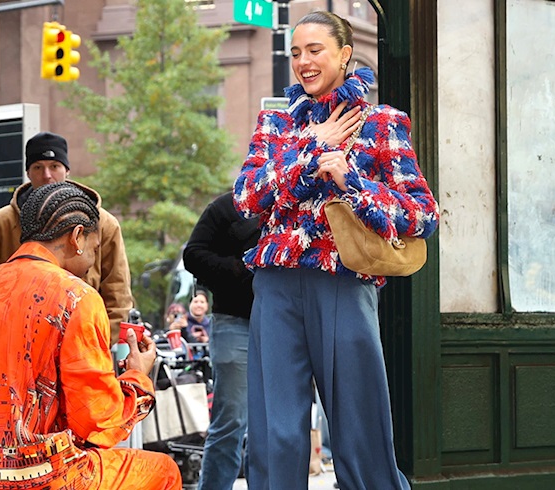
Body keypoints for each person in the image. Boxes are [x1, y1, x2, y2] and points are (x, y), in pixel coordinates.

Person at [233, 11, 439, 490]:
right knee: (275, 433)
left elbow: (422, 215)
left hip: (345, 286)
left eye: (315, 50)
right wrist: (311, 147)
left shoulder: (383, 123)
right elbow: (246, 198)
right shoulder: (276, 122)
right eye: (296, 53)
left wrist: (352, 182)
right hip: (276, 288)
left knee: (360, 430)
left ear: (344, 55)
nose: (303, 62)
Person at [0, 182, 181, 489]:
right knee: (164, 471)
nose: (92, 262)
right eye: (95, 249)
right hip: (35, 475)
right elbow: (99, 423)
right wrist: (138, 376)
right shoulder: (76, 297)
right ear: (77, 237)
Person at [0, 132, 133, 342]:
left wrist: (96, 344)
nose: (47, 175)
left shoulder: (104, 225)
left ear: (67, 170)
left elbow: (118, 297)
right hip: (19, 349)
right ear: (28, 172)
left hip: (84, 344)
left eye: (54, 166)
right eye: (38, 167)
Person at [183, 191, 260, 490]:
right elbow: (193, 254)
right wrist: (239, 267)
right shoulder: (226, 207)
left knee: (269, 425)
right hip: (235, 323)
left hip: (283, 326)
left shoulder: (289, 203)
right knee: (231, 422)